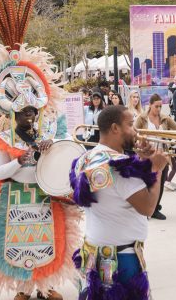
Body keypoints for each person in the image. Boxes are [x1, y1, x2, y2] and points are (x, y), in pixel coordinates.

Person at [0, 0, 81, 300]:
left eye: (33, 111)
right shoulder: (3, 138)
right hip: (15, 199)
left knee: (48, 242)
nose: (29, 116)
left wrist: (50, 151)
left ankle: (46, 287)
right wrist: (21, 160)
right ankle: (22, 288)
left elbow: (62, 163)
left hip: (45, 197)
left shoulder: (49, 130)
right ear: (13, 112)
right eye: (23, 112)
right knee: (18, 244)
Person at [71, 105, 169, 299]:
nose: (136, 131)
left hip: (94, 253)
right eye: (130, 125)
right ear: (115, 128)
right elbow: (148, 207)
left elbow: (112, 196)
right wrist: (156, 168)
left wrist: (142, 161)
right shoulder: (120, 167)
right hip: (122, 259)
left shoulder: (86, 159)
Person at [134, 93, 176, 221]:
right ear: (150, 105)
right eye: (156, 106)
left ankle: (155, 209)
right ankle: (145, 208)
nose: (159, 109)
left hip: (162, 155)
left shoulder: (165, 118)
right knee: (146, 183)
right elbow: (133, 133)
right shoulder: (142, 118)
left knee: (160, 183)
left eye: (160, 106)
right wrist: (139, 142)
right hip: (146, 155)